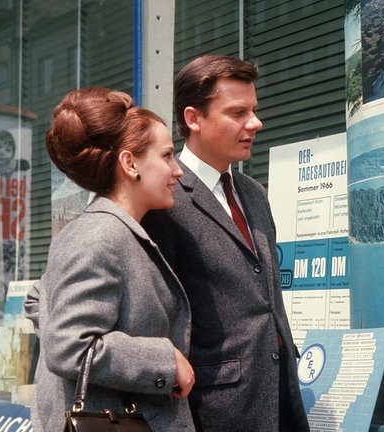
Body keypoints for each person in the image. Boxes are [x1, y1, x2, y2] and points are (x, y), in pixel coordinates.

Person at [141, 55, 309, 432]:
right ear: (193, 118)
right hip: (214, 411)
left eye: (254, 110)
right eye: (238, 112)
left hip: (283, 400)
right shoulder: (164, 200)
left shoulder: (253, 193)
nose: (255, 123)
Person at [23, 87, 195, 432]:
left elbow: (38, 300)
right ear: (130, 163)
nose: (178, 171)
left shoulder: (112, 231)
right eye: (166, 156)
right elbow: (70, 345)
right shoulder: (100, 236)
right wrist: (165, 361)